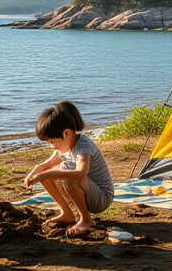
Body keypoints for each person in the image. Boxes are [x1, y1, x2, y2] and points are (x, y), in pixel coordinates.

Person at [24, 100, 114, 236]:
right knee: (50, 172)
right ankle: (66, 213)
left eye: (52, 141)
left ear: (66, 133)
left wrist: (47, 174)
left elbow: (80, 175)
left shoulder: (83, 146)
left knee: (66, 176)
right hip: (88, 192)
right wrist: (33, 173)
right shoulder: (65, 147)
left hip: (101, 198)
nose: (52, 146)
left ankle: (86, 219)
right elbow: (45, 165)